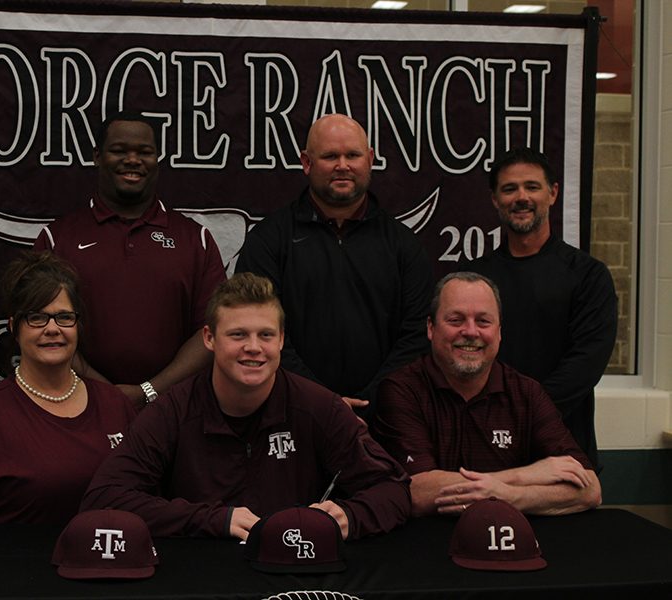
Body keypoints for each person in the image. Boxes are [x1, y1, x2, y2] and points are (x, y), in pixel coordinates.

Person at [81, 273, 411, 541]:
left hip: (293, 572)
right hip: (200, 576)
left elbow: (393, 490)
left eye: (265, 335)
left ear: (282, 339)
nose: (253, 348)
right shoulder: (173, 411)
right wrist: (213, 519)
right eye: (238, 334)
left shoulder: (318, 406)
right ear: (209, 339)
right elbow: (104, 498)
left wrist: (349, 516)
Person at [235, 113, 432, 419]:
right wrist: (322, 402)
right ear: (306, 162)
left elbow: (417, 337)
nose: (343, 165)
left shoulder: (404, 246)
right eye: (330, 156)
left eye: (352, 155)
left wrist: (371, 402)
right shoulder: (268, 241)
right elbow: (256, 330)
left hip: (382, 420)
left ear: (369, 160)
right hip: (291, 414)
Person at [33, 111, 227, 410]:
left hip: (172, 411)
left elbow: (213, 331)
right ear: (98, 157)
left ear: (157, 159)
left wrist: (149, 391)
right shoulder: (58, 239)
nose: (133, 160)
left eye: (145, 152)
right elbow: (40, 328)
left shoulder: (193, 239)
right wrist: (103, 394)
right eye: (120, 151)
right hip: (73, 408)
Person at [372, 272, 602, 518]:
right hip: (423, 546)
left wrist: (510, 496)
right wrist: (522, 476)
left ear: (499, 332)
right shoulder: (401, 390)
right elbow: (417, 492)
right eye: (455, 320)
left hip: (512, 549)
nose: (470, 332)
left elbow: (590, 489)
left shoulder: (527, 394)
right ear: (431, 328)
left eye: (483, 321)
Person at [0, 252, 135, 524]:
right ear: (13, 328)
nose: (52, 329)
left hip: (107, 564)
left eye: (64, 317)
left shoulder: (115, 404)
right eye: (37, 318)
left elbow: (144, 495)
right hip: (15, 564)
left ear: (78, 326)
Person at [466, 148, 617, 470]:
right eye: (509, 189)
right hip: (485, 446)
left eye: (532, 187)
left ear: (553, 193)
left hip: (564, 447)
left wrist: (523, 418)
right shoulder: (474, 280)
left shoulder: (588, 275)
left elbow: (585, 364)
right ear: (495, 199)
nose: (521, 197)